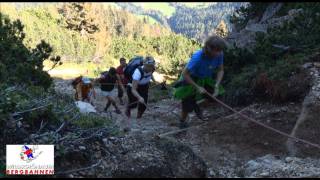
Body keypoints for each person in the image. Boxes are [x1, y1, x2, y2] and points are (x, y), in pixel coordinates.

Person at [173, 35, 227, 129]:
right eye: (217, 50)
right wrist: (197, 87)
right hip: (190, 79)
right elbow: (185, 74)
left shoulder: (220, 54)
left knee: (216, 96)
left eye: (220, 50)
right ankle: (182, 121)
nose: (220, 53)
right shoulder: (197, 58)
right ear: (209, 48)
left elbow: (220, 70)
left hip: (205, 78)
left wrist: (217, 85)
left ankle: (197, 105)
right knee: (187, 105)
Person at [125, 56, 156, 121]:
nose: (151, 67)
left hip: (144, 87)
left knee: (143, 104)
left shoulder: (152, 69)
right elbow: (133, 89)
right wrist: (139, 97)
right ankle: (128, 109)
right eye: (149, 66)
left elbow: (150, 74)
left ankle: (138, 117)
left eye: (152, 66)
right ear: (144, 65)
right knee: (134, 103)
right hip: (133, 87)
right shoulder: (138, 72)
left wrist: (154, 81)